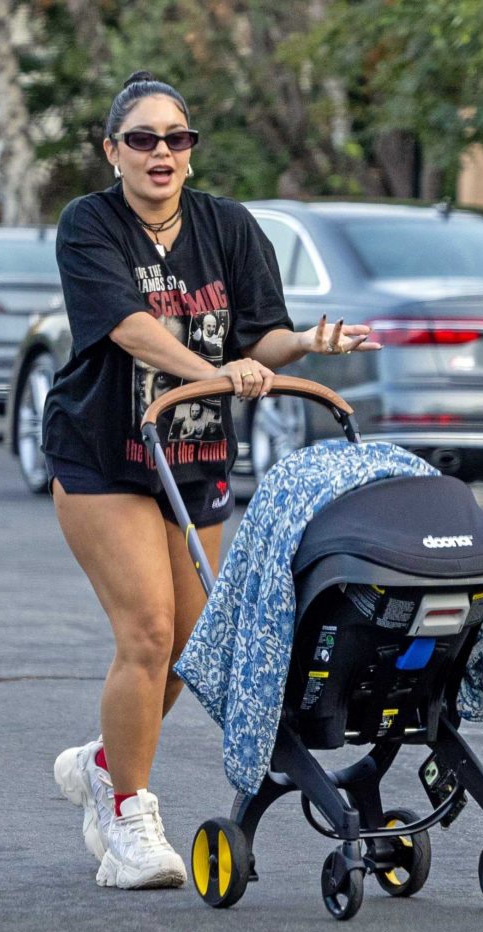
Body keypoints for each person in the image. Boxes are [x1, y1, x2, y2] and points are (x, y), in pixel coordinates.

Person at [45, 69, 380, 890]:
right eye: (143, 139)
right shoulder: (89, 224)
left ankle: (101, 760)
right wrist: (212, 372)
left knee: (193, 651)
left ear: (191, 153)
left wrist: (302, 346)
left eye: (176, 139)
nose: (161, 153)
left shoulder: (229, 228)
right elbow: (128, 328)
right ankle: (127, 817)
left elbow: (260, 338)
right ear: (112, 151)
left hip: (192, 458)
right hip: (102, 454)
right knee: (150, 632)